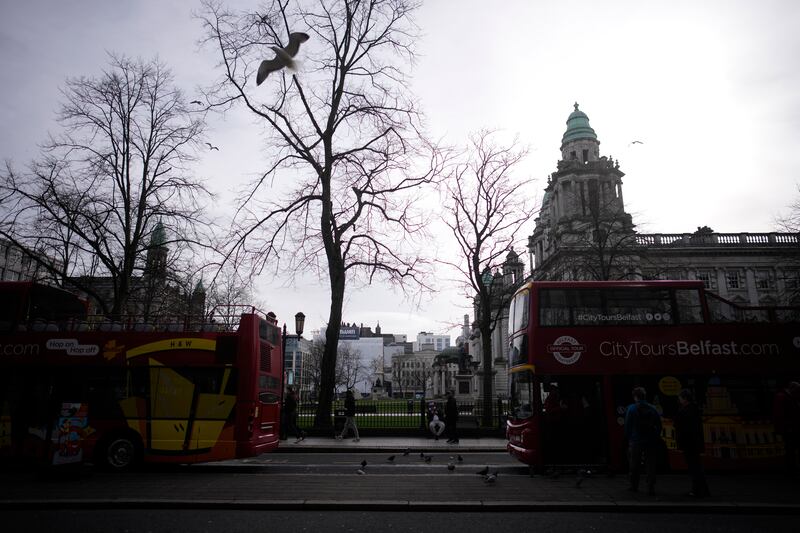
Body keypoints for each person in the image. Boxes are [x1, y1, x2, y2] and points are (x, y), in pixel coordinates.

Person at [624, 386, 662, 496]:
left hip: (636, 440)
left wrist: (628, 438)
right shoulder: (652, 408)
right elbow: (659, 425)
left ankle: (634, 486)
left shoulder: (631, 408)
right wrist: (655, 436)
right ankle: (650, 487)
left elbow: (627, 426)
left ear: (635, 397)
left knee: (634, 464)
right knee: (650, 464)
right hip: (650, 441)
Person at [674, 389, 710, 497]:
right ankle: (700, 489)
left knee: (694, 467)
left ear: (684, 399)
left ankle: (698, 490)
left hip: (689, 443)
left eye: (680, 398)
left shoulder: (687, 410)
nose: (679, 400)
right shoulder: (694, 409)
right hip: (693, 443)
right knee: (696, 467)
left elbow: (682, 425)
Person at [773, 381, 800, 475]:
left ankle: (791, 467)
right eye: (797, 390)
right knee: (790, 448)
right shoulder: (783, 397)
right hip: (790, 428)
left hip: (791, 427)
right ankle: (791, 468)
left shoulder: (785, 396)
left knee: (791, 448)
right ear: (792, 388)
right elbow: (781, 414)